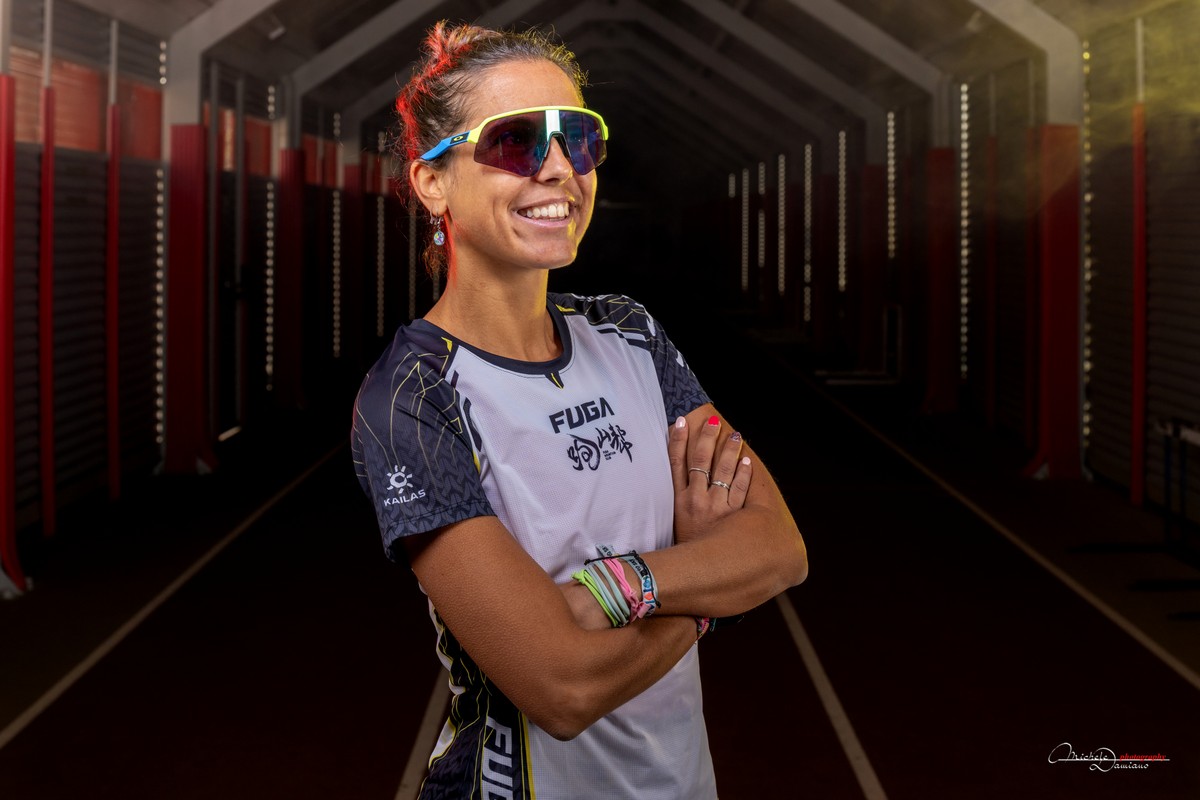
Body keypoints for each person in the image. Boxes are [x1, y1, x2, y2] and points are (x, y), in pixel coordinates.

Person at [351, 21, 808, 799]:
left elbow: (779, 547)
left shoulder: (629, 333)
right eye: (515, 141)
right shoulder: (415, 396)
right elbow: (563, 688)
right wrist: (704, 587)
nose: (561, 168)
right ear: (433, 181)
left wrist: (617, 587)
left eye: (579, 140)